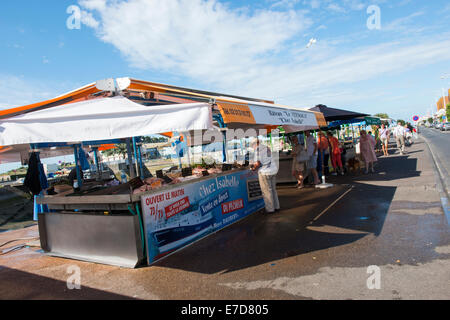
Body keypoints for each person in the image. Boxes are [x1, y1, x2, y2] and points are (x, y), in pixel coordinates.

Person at [251, 138, 280, 214]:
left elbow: (257, 163)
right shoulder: (266, 147)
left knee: (267, 191)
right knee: (273, 189)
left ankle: (270, 209)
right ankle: (276, 206)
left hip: (265, 172)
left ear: (255, 144)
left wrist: (253, 168)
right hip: (273, 170)